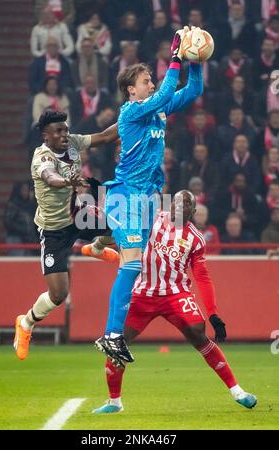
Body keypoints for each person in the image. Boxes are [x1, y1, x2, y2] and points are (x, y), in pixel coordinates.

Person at [85, 26, 204, 363]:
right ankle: (111, 335)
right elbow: (167, 92)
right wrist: (177, 56)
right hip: (127, 197)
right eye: (145, 81)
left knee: (131, 260)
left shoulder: (157, 109)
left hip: (149, 199)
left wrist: (194, 59)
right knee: (134, 263)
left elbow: (194, 89)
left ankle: (97, 245)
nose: (151, 83)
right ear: (130, 91)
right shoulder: (130, 113)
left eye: (153, 79)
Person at [92, 191, 257, 413]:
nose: (180, 208)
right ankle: (114, 402)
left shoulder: (196, 239)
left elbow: (202, 276)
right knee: (118, 344)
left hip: (175, 294)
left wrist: (213, 313)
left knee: (199, 334)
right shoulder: (151, 219)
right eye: (177, 203)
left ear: (193, 212)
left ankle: (237, 391)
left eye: (186, 205)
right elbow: (124, 231)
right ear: (170, 205)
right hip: (142, 293)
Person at [13, 110, 119, 360]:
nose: (64, 134)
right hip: (53, 230)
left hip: (77, 215)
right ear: (45, 135)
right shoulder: (42, 157)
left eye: (65, 129)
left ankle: (95, 249)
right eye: (58, 131)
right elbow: (51, 178)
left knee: (117, 227)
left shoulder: (72, 142)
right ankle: (26, 323)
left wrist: (133, 112)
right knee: (59, 294)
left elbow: (104, 136)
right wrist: (69, 182)